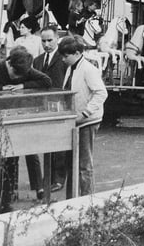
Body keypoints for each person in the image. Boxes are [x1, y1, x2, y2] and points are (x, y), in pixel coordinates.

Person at [0, 46, 51, 214]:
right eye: (15, 75)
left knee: (11, 159)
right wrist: (1, 88)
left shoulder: (25, 68)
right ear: (9, 64)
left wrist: (23, 84)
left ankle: (5, 201)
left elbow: (46, 81)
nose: (16, 78)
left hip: (11, 117)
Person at [58, 36, 108, 197]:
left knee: (84, 164)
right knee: (73, 162)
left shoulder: (88, 69)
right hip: (76, 120)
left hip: (88, 120)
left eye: (66, 56)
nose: (63, 59)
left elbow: (101, 93)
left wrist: (85, 112)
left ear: (78, 53)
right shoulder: (71, 67)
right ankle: (72, 198)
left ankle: (88, 199)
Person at [33, 26, 68, 193]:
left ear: (57, 39)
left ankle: (59, 179)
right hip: (43, 106)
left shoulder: (63, 59)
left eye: (49, 40)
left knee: (59, 143)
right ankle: (48, 177)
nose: (46, 44)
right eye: (43, 40)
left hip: (60, 105)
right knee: (47, 142)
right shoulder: (38, 60)